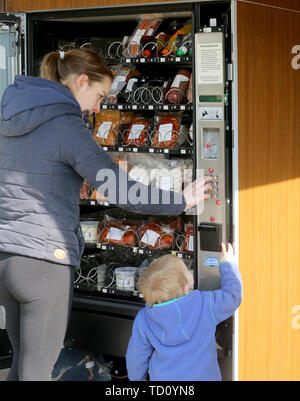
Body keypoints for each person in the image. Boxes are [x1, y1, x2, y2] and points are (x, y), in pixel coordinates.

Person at [0, 48, 212, 381]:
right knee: (36, 372)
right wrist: (180, 201)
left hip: (7, 259)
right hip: (43, 263)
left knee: (23, 366)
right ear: (81, 81)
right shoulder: (66, 126)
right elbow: (121, 189)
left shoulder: (9, 114)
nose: (99, 107)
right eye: (98, 96)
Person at [126, 243, 242, 381]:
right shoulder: (204, 304)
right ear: (185, 287)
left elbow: (136, 358)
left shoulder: (144, 318)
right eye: (187, 270)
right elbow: (233, 295)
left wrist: (136, 378)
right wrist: (227, 264)